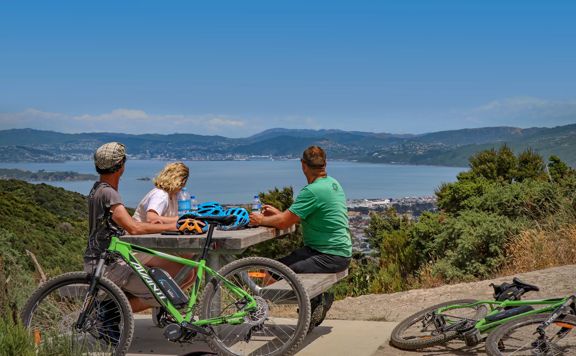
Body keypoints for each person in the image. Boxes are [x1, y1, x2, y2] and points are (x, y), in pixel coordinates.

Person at [249, 145, 352, 330]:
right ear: (325, 163)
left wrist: (260, 219)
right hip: (336, 253)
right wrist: (280, 215)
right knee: (278, 267)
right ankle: (315, 302)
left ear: (303, 165)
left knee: (270, 273)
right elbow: (290, 219)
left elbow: (283, 223)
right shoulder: (332, 184)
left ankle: (308, 304)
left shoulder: (312, 191)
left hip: (327, 256)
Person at [84, 142, 180, 313]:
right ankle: (110, 313)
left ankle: (109, 312)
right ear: (121, 165)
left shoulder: (97, 189)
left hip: (99, 260)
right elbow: (133, 227)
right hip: (110, 266)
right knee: (165, 293)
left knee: (162, 275)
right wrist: (175, 225)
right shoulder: (109, 193)